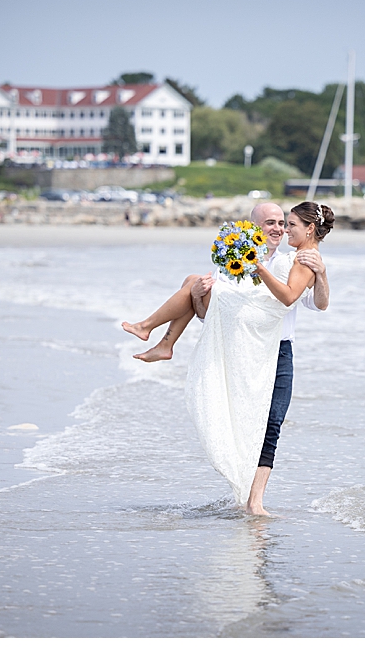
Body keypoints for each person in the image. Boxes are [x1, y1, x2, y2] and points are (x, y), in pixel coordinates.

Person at [123, 202, 331, 515]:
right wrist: (197, 297)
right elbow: (212, 315)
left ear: (308, 228)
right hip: (243, 347)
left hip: (277, 349)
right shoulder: (236, 262)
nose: (281, 230)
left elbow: (318, 303)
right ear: (254, 228)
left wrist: (322, 273)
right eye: (273, 224)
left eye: (286, 224)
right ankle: (161, 340)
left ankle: (255, 501)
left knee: (271, 423)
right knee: (195, 282)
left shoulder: (298, 258)